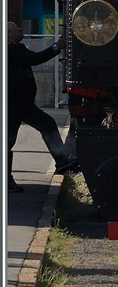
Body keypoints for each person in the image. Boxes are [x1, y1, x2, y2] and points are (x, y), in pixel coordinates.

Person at [8, 22, 78, 193]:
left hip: (23, 105)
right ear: (8, 34)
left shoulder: (20, 48)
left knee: (47, 124)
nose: (20, 29)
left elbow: (36, 57)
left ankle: (61, 161)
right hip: (10, 105)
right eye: (16, 28)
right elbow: (33, 60)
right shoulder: (8, 50)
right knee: (7, 142)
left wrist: (56, 47)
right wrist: (57, 47)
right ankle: (6, 181)